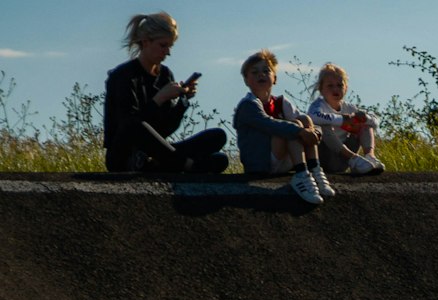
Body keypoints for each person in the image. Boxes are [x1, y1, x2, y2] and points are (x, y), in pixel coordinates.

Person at [104, 12, 228, 174]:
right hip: (124, 156)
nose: (167, 52)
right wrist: (159, 98)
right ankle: (186, 165)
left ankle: (162, 164)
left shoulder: (165, 75)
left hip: (158, 153)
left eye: (170, 46)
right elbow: (128, 128)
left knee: (217, 137)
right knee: (135, 124)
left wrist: (182, 102)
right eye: (163, 45)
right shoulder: (123, 76)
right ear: (146, 42)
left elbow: (165, 130)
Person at [233, 49, 336, 205]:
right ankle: (301, 175)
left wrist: (314, 132)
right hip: (261, 163)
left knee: (304, 119)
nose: (261, 75)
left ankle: (314, 170)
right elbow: (270, 124)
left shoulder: (281, 102)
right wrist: (300, 131)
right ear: (246, 80)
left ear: (275, 78)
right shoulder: (248, 106)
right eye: (254, 72)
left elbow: (305, 124)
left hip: (282, 160)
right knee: (291, 127)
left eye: (266, 71)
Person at [307, 64, 384, 176]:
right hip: (324, 157)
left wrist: (364, 118)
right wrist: (343, 119)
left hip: (342, 161)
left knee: (364, 124)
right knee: (323, 126)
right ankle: (354, 159)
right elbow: (313, 117)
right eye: (330, 86)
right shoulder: (318, 106)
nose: (335, 89)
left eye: (339, 85)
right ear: (321, 89)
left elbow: (375, 122)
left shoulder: (349, 108)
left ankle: (370, 157)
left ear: (346, 88)